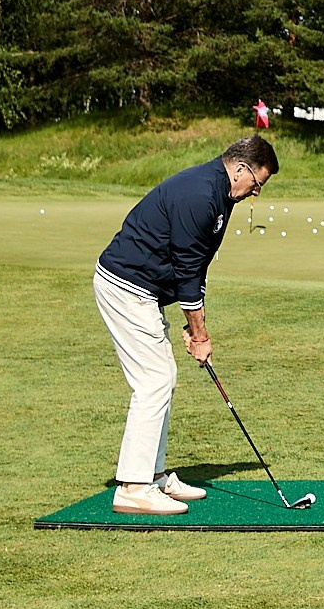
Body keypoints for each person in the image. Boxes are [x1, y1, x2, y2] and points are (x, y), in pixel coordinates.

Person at [93, 134, 279, 515]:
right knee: (154, 380)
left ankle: (153, 475)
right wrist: (199, 334)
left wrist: (197, 327)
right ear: (240, 169)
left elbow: (198, 268)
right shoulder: (200, 194)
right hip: (125, 286)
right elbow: (187, 272)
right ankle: (133, 487)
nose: (254, 193)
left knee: (163, 377)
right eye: (256, 184)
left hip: (143, 289)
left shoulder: (221, 196)